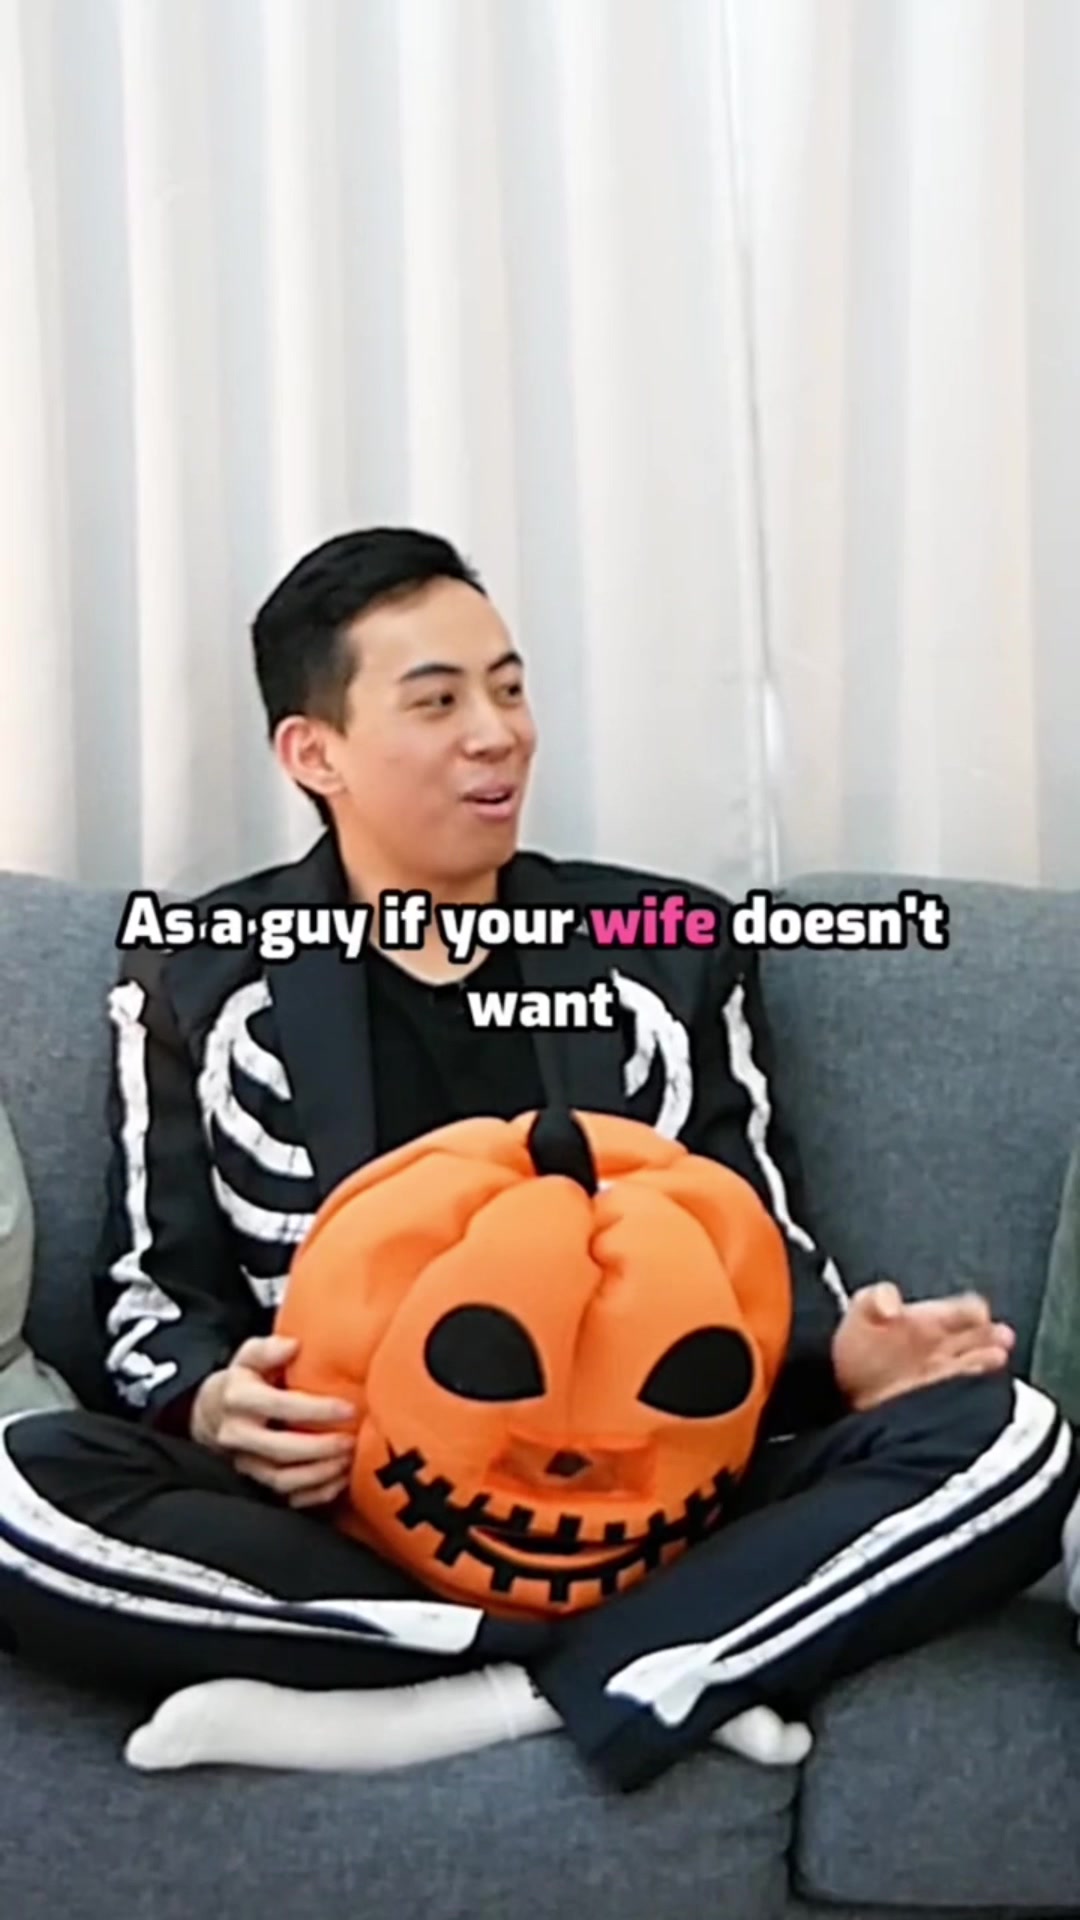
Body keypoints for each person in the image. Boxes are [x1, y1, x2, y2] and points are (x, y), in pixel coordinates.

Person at [0, 528, 1075, 1795]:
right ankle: (666, 1668)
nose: (498, 735)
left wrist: (848, 1358)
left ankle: (488, 1691)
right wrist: (213, 1404)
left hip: (666, 1495)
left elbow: (755, 1243)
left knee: (1014, 1440)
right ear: (314, 753)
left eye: (509, 690)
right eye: (438, 701)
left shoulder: (669, 950)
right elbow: (154, 1295)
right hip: (352, 1510)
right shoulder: (198, 971)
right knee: (19, 1483)